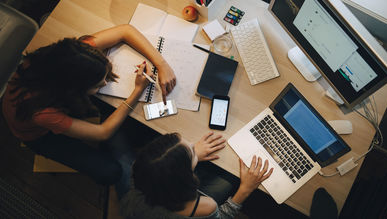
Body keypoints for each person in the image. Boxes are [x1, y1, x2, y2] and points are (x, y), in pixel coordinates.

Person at [1, 24, 176, 196]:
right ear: (74, 90)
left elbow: (125, 30)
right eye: (98, 85)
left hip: (58, 104)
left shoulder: (74, 56)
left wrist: (162, 64)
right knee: (111, 171)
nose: (106, 83)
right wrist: (137, 91)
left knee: (123, 127)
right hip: (38, 135)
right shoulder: (44, 113)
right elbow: (102, 133)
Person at [120, 132, 274, 219]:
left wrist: (189, 156)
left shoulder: (140, 170)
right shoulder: (204, 207)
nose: (195, 146)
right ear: (185, 178)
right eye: (193, 150)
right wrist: (245, 190)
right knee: (230, 179)